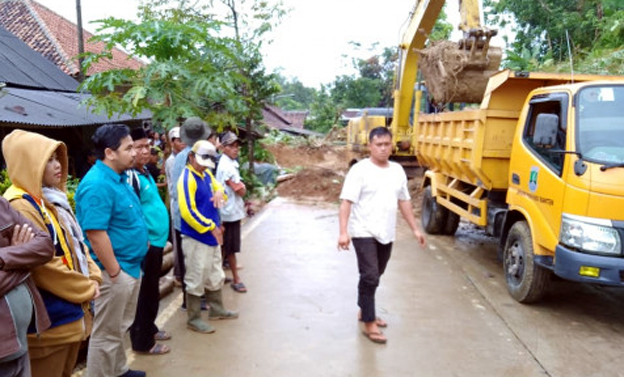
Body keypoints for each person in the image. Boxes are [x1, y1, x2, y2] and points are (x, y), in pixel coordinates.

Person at [2, 130, 103, 377]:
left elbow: (76, 244)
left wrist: (93, 275)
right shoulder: (21, 205)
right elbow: (43, 263)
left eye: (58, 158)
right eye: (48, 160)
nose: (58, 166)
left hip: (69, 317)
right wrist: (85, 287)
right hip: (50, 325)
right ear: (28, 162)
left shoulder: (49, 199)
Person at [337, 127, 426, 345]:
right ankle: (370, 322)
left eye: (387, 144)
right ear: (370, 146)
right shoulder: (359, 170)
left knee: (376, 274)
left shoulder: (396, 170)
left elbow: (404, 201)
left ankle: (363, 308)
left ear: (392, 145)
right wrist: (343, 232)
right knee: (370, 276)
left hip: (386, 232)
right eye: (379, 144)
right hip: (362, 231)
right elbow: (346, 202)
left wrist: (415, 228)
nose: (383, 148)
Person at [75, 124, 149, 377]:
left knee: (119, 327)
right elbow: (95, 234)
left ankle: (118, 371)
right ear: (110, 152)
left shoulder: (119, 177)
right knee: (106, 333)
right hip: (115, 272)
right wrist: (115, 272)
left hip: (129, 266)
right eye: (128, 148)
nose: (134, 152)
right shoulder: (97, 184)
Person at [178, 140, 238, 333]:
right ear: (191, 157)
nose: (204, 165)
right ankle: (193, 318)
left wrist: (220, 192)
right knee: (196, 276)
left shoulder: (205, 174)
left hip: (211, 235)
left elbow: (220, 190)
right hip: (196, 236)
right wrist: (210, 226)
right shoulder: (187, 179)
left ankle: (217, 309)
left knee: (214, 272)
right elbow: (187, 211)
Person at [170, 117, 224, 310]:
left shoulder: (198, 157)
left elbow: (214, 186)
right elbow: (183, 195)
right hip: (189, 219)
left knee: (203, 265)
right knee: (193, 266)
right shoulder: (186, 159)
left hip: (194, 217)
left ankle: (204, 301)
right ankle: (192, 304)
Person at [128, 128, 171, 355]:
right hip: (147, 244)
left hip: (155, 242)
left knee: (152, 289)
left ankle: (150, 327)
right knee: (145, 293)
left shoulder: (144, 172)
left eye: (147, 146)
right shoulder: (131, 176)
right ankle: (142, 341)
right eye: (139, 147)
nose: (146, 151)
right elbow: (133, 212)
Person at [0, 197, 54, 377]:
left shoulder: (1, 205)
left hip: (19, 343)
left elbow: (45, 245)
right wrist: (23, 260)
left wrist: (5, 257)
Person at [216, 132, 247, 293]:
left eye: (236, 146)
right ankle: (236, 279)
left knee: (224, 247)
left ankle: (219, 276)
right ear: (222, 147)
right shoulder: (226, 165)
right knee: (231, 248)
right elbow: (239, 188)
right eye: (231, 146)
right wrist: (242, 188)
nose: (235, 149)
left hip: (230, 211)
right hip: (229, 214)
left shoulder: (228, 163)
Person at [164, 127, 186, 288]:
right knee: (178, 243)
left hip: (184, 207)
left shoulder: (183, 157)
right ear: (172, 142)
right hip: (178, 207)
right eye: (179, 140)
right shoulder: (172, 161)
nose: (183, 143)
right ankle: (179, 275)